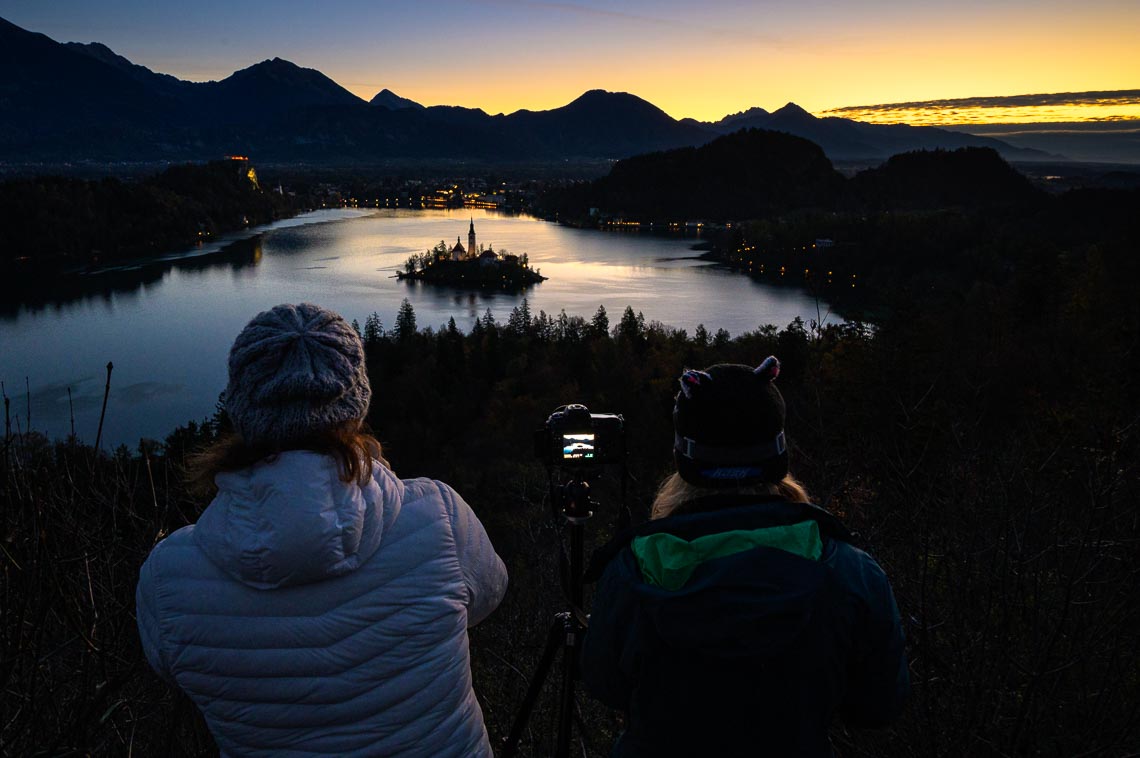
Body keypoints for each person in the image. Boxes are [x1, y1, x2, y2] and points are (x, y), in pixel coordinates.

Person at [136, 303, 508, 757]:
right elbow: (488, 595)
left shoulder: (169, 580)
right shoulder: (441, 519)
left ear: (241, 408)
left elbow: (167, 664)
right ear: (356, 405)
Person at [580, 358, 908, 757]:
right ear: (778, 452)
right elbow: (878, 707)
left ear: (683, 458)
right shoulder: (850, 573)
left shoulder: (634, 571)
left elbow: (603, 685)